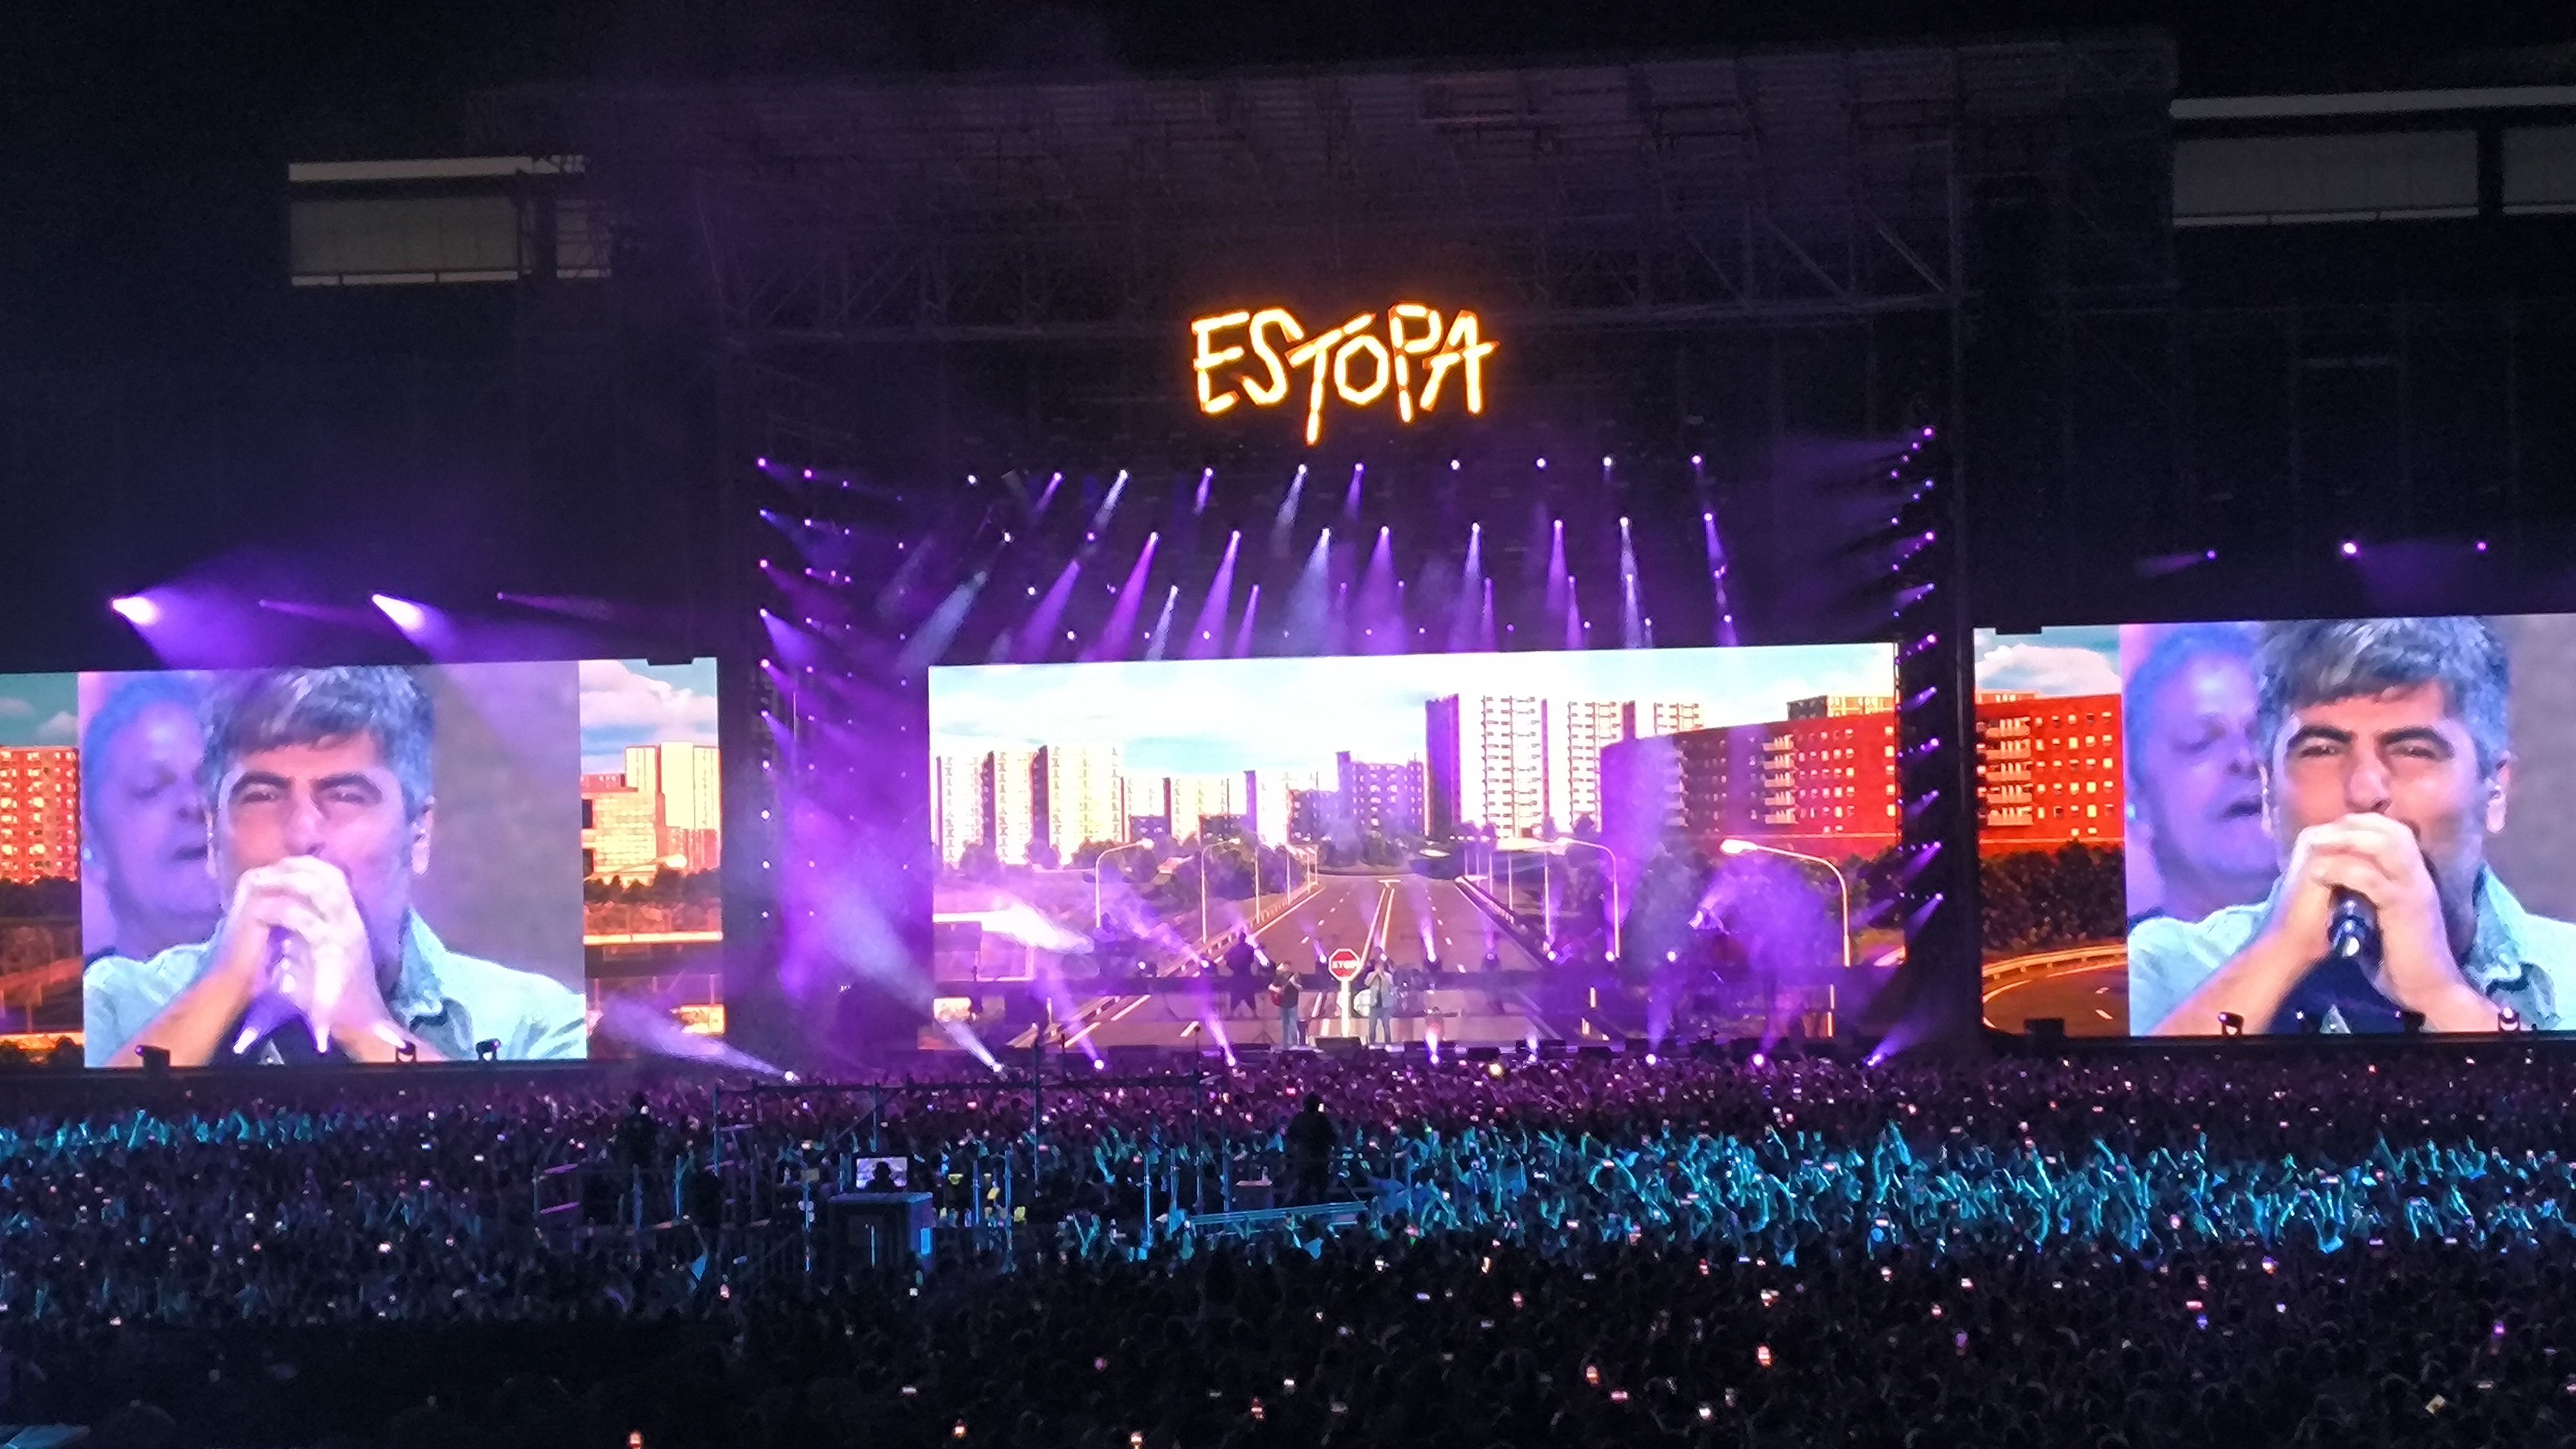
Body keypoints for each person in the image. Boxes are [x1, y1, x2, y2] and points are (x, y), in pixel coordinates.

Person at [84, 666, 588, 1066]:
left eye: (346, 795)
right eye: (262, 796)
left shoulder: (537, 1021)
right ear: (214, 839)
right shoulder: (115, 1002)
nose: (302, 835)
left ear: (418, 835)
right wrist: (220, 991)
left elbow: (526, 1163)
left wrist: (365, 1026)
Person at [2131, 617, 2576, 1034]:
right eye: (2321, 750)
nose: (2365, 792)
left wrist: (2440, 995)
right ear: (2268, 796)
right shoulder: (2167, 967)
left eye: (2414, 750)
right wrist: (2280, 952)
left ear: (2494, 793)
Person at [2122, 625, 2276, 926]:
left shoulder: (2368, 946)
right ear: (2141, 806)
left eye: (2262, 733)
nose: (2246, 758)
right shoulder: (2120, 955)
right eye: (2200, 742)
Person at [79, 674, 223, 967]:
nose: (194, 803)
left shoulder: (309, 983)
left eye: (210, 779)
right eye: (151, 788)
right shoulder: (72, 994)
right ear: (94, 848)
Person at [1283, 1092, 1337, 1205]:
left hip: (1305, 1158)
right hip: (1318, 1159)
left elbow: (1290, 1135)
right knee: (1319, 1189)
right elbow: (1332, 1137)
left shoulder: (1299, 1118)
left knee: (1305, 1188)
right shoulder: (1321, 1119)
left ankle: (1304, 1209)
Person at [1361, 958, 1394, 1048]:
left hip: (1385, 1005)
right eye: (1378, 967)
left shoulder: (1388, 976)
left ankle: (1388, 1042)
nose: (1380, 969)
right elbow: (1367, 983)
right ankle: (1372, 1042)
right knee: (1372, 1025)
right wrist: (1375, 974)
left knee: (1386, 1025)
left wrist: (1382, 976)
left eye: (1381, 967)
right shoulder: (1371, 975)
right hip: (1374, 1005)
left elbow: (1390, 985)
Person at [1272, 964, 1303, 1049]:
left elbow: (1301, 988)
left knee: (1293, 1023)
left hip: (1293, 1003)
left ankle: (1295, 1043)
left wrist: (1294, 983)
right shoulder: (1279, 977)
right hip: (1282, 1003)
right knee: (1284, 1024)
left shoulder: (1295, 976)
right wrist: (1277, 990)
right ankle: (1285, 1044)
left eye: (1286, 967)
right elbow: (1271, 986)